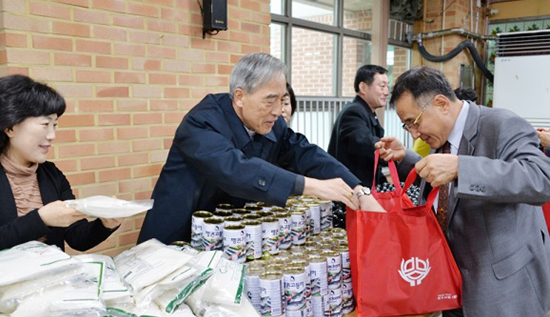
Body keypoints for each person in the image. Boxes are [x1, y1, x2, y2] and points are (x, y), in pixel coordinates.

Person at [374, 66, 550, 317]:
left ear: (441, 104)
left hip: (508, 298)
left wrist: (461, 168)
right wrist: (407, 157)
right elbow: (447, 179)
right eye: (408, 127)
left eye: (415, 122)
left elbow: (541, 179)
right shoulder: (442, 136)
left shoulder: (503, 124)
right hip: (456, 292)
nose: (415, 134)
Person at [138, 53, 384, 245]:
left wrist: (359, 189)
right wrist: (311, 186)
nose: (278, 111)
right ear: (240, 97)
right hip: (178, 236)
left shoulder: (272, 124)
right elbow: (235, 170)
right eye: (270, 99)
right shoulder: (201, 123)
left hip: (229, 238)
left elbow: (306, 153)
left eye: (281, 99)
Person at [0, 75, 122, 251]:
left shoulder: (51, 174)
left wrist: (106, 224)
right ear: (10, 127)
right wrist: (40, 220)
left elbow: (76, 238)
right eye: (45, 124)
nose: (52, 136)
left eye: (55, 125)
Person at [327, 64, 389, 188]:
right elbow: (366, 144)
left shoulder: (367, 112)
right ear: (363, 87)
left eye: (388, 87)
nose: (386, 92)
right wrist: (395, 153)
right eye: (382, 86)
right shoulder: (353, 112)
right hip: (351, 191)